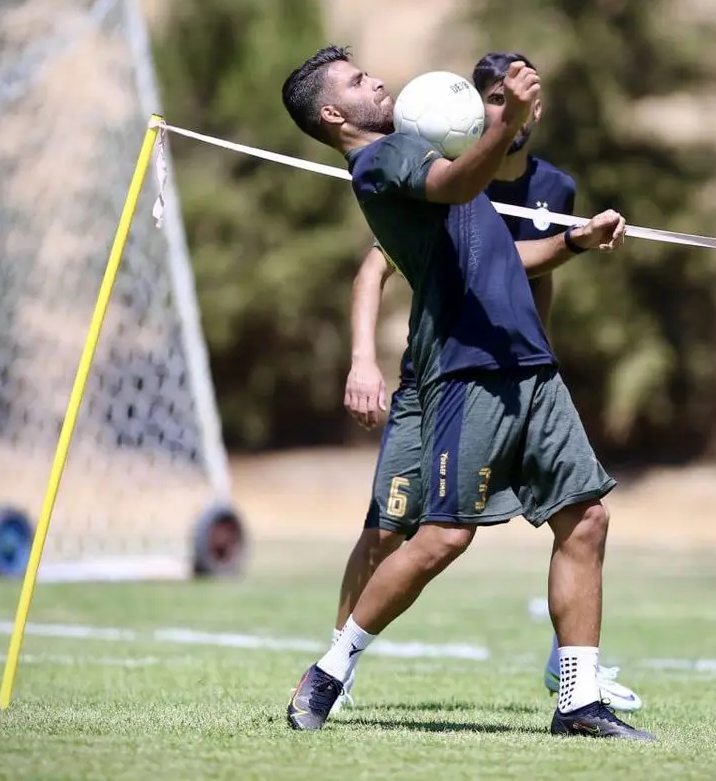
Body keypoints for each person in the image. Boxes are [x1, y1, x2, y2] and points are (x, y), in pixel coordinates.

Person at [280, 45, 655, 741]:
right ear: (334, 114)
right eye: (359, 82)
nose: (378, 81)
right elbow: (454, 187)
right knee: (444, 536)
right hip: (467, 367)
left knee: (588, 519)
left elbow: (503, 255)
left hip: (530, 363)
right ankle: (331, 668)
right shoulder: (382, 161)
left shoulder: (421, 155)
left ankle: (578, 702)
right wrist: (501, 123)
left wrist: (576, 241)